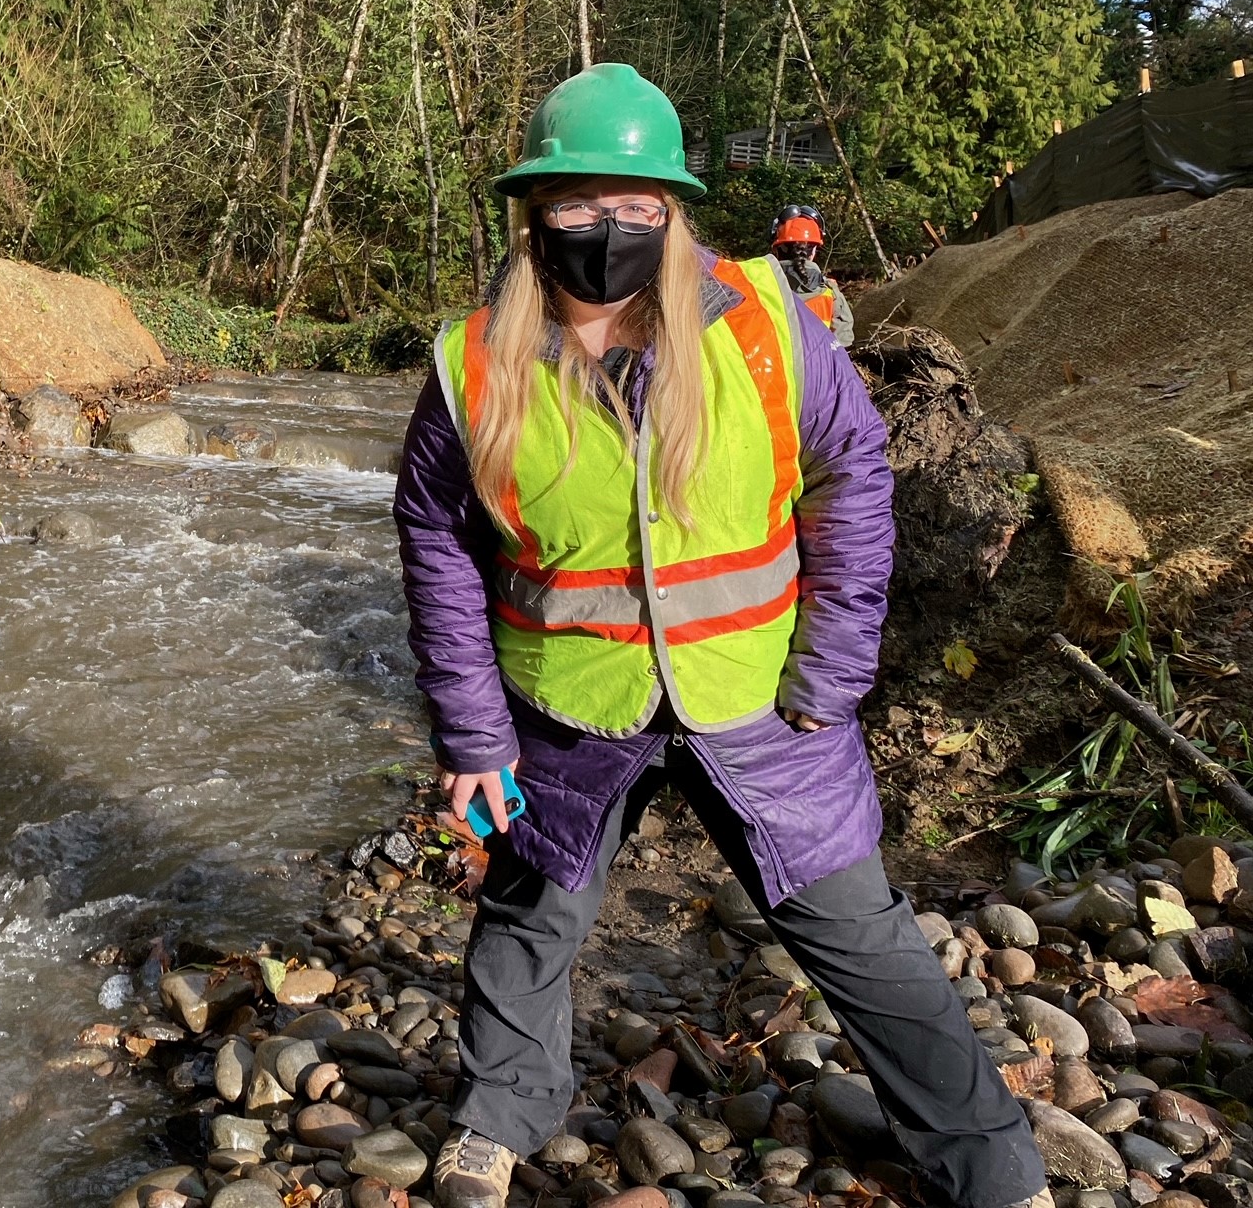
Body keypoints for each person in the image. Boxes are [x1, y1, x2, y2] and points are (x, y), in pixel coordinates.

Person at [393, 63, 1047, 1208]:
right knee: (528, 916)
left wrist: (835, 667)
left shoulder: (765, 326)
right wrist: (474, 734)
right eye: (577, 208)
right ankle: (496, 1116)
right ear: (533, 214)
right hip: (567, 710)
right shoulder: (475, 362)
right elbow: (437, 541)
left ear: (674, 210)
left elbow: (853, 476)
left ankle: (996, 1171)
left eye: (636, 207)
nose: (608, 231)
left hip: (765, 706)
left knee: (868, 942)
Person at [767, 202, 854, 346]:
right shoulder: (830, 293)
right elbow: (843, 343)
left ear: (777, 249)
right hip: (817, 366)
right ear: (813, 251)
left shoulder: (759, 286)